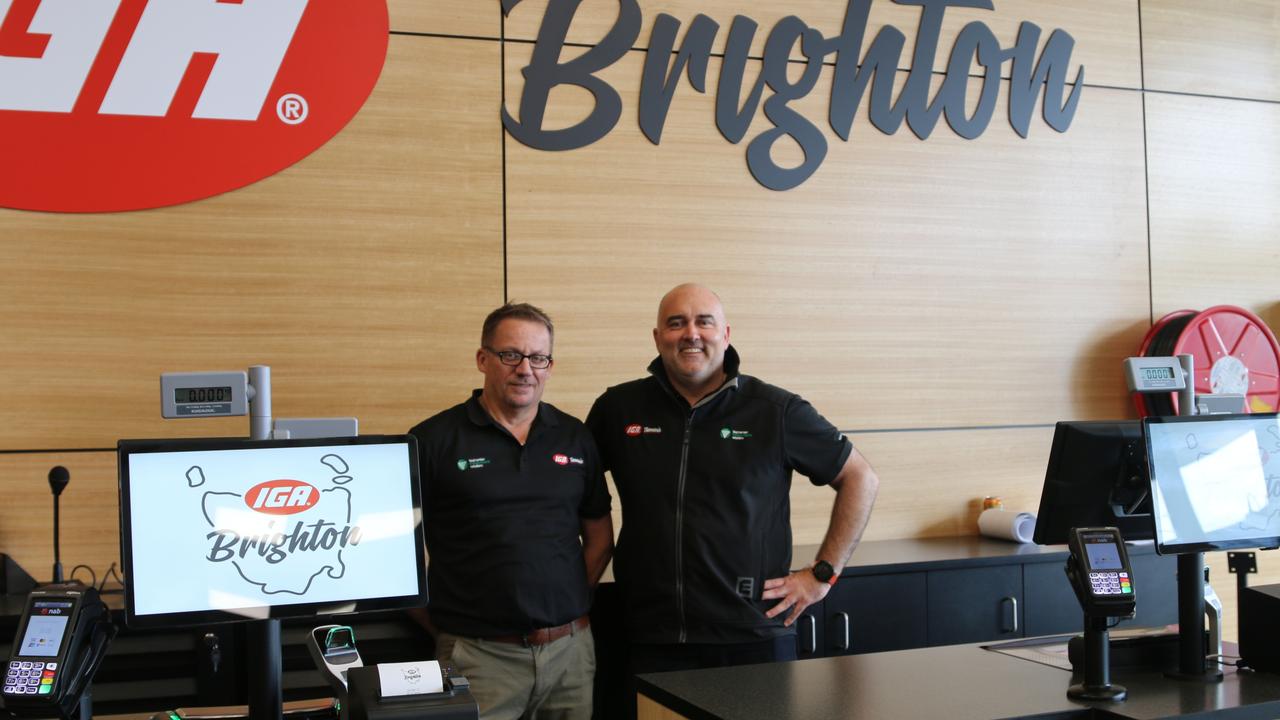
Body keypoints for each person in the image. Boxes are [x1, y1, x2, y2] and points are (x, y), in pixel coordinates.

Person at [586, 283, 879, 677]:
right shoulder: (617, 410)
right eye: (676, 323)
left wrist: (822, 574)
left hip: (753, 636)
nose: (691, 333)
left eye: (704, 322)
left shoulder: (774, 411)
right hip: (648, 636)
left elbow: (860, 476)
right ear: (657, 339)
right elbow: (571, 486)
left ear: (725, 335)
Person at [409, 302, 613, 719]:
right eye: (511, 355)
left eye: (538, 358)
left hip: (571, 656)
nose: (525, 369)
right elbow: (392, 552)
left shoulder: (575, 438)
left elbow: (599, 537)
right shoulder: (432, 441)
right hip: (479, 657)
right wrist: (450, 630)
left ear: (549, 365)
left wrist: (569, 603)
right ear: (483, 359)